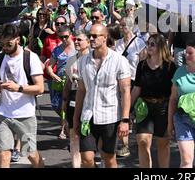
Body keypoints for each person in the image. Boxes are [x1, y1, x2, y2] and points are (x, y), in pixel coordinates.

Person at [73, 24, 132, 168]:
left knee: (109, 158)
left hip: (109, 117)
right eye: (90, 36)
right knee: (86, 158)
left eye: (95, 36)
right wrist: (75, 117)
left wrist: (125, 120)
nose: (91, 39)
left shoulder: (119, 61)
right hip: (88, 116)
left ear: (104, 38)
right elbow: (81, 91)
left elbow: (125, 91)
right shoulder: (82, 61)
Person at [0, 23, 45, 168]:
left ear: (18, 39)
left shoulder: (30, 58)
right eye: (2, 44)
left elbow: (40, 88)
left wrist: (18, 88)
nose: (5, 47)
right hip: (3, 115)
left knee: (30, 154)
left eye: (8, 44)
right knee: (4, 155)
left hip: (24, 116)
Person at [131, 34, 176, 168]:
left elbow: (174, 93)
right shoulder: (142, 65)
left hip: (164, 108)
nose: (148, 46)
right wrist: (126, 110)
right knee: (143, 141)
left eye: (152, 44)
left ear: (161, 47)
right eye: (148, 43)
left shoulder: (170, 66)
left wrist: (173, 114)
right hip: (144, 107)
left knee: (163, 144)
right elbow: (136, 89)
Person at [115, 16, 147, 157]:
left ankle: (141, 139)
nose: (121, 28)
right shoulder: (118, 43)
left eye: (123, 25)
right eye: (120, 26)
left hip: (135, 81)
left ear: (130, 26)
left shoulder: (139, 43)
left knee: (132, 111)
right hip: (121, 81)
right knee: (124, 112)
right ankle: (125, 145)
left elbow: (144, 64)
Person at [61, 31, 90, 168]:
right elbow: (67, 83)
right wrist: (64, 102)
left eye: (80, 40)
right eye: (75, 39)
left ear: (88, 42)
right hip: (73, 98)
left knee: (91, 136)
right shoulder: (71, 59)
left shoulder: (93, 58)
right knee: (74, 135)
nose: (76, 42)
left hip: (89, 99)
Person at [46, 25, 76, 140]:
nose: (63, 39)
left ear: (70, 35)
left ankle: (65, 128)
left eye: (66, 37)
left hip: (73, 81)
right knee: (56, 105)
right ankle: (68, 122)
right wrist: (53, 75)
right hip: (60, 80)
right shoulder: (57, 49)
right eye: (61, 37)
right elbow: (50, 66)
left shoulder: (76, 47)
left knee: (69, 104)